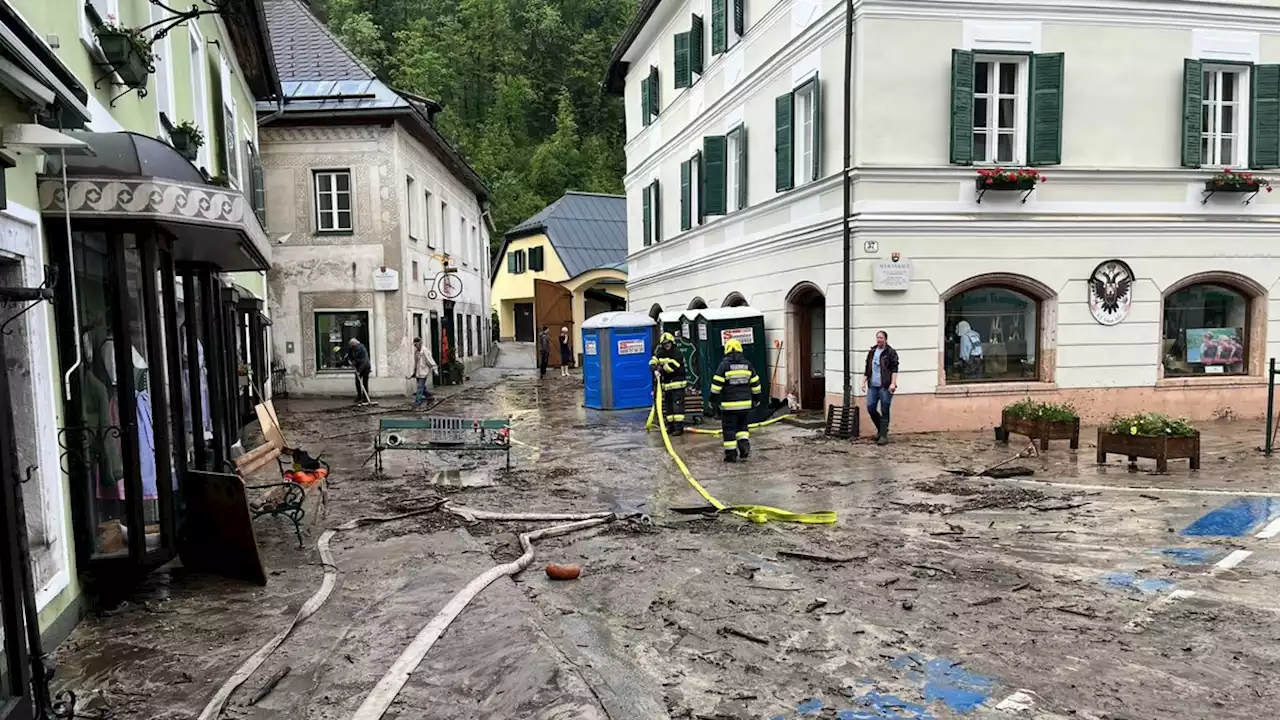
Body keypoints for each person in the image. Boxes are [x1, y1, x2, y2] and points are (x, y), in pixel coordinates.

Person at [709, 338, 761, 462]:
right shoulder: (747, 365)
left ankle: (731, 454)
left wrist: (713, 400)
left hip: (729, 406)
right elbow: (755, 383)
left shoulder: (724, 365)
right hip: (745, 405)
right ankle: (744, 447)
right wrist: (756, 399)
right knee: (742, 427)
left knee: (729, 429)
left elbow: (716, 385)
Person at [861, 330, 899, 445]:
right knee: (871, 407)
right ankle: (881, 429)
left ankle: (883, 436)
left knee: (884, 409)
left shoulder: (890, 352)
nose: (879, 340)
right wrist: (863, 382)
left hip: (885, 386)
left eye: (881, 338)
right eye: (877, 337)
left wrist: (893, 383)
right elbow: (867, 368)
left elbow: (894, 369)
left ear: (885, 339)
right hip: (873, 385)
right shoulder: (872, 352)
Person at [649, 332, 687, 436]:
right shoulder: (660, 352)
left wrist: (660, 370)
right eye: (665, 344)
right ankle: (670, 427)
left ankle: (679, 428)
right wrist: (654, 369)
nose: (667, 345)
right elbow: (653, 361)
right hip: (666, 385)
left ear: (672, 343)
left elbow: (672, 367)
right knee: (668, 406)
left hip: (677, 384)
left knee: (677, 406)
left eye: (668, 343)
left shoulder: (677, 352)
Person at [409, 337, 438, 406]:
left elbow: (430, 360)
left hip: (424, 372)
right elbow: (416, 363)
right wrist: (414, 372)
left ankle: (417, 402)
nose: (415, 346)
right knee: (422, 388)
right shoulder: (416, 352)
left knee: (419, 387)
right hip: (418, 373)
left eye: (416, 345)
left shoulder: (425, 351)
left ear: (420, 343)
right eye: (414, 345)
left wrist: (435, 369)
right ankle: (429, 397)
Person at [342, 337, 372, 403]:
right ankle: (359, 396)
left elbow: (364, 362)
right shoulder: (351, 348)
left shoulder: (362, 349)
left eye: (353, 346)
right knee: (357, 382)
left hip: (365, 367)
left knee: (364, 382)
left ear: (356, 344)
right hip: (358, 366)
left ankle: (365, 398)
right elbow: (349, 355)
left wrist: (359, 371)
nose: (353, 348)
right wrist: (349, 360)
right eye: (352, 346)